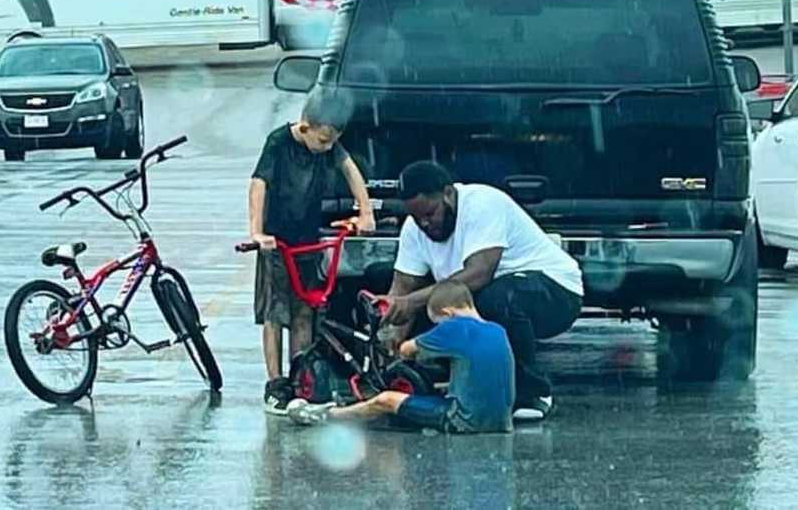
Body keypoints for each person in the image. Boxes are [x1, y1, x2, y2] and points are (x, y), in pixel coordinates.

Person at [380, 161, 583, 421]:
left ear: (448, 194)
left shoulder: (483, 203)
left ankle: (533, 392)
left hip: (556, 292)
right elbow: (403, 287)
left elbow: (480, 272)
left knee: (495, 300)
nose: (426, 224)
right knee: (430, 315)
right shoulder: (414, 229)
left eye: (431, 214)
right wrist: (392, 337)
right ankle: (452, 380)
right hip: (483, 293)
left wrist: (409, 302)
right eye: (417, 218)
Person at [249, 87, 376, 415]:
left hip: (307, 239)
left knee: (305, 310)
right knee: (275, 313)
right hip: (277, 242)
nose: (327, 147)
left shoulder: (330, 147)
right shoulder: (279, 142)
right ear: (305, 127)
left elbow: (350, 170)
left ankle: (299, 373)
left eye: (332, 141)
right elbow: (258, 183)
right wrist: (257, 231)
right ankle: (276, 382)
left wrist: (366, 212)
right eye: (322, 141)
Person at [287, 281, 514, 433]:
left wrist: (404, 343)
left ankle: (326, 415)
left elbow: (407, 350)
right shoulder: (499, 331)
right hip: (503, 422)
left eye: (437, 322)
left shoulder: (454, 327)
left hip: (465, 422)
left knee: (386, 399)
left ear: (447, 313)